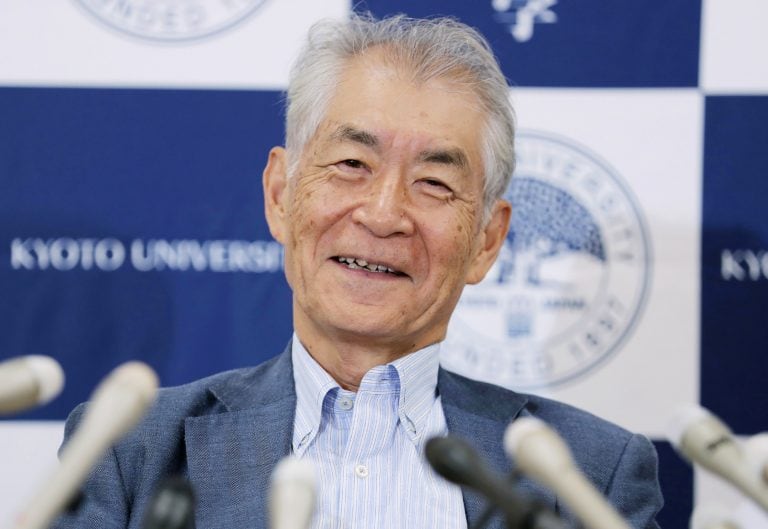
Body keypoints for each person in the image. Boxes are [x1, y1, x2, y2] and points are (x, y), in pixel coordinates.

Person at [53, 14, 662, 529]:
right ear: (279, 196)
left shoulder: (588, 473)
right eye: (351, 163)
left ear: (486, 239)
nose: (383, 213)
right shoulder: (132, 453)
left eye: (434, 182)